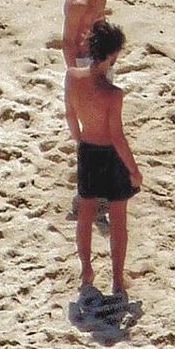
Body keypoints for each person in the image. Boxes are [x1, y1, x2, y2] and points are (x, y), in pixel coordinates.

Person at [65, 21, 143, 302]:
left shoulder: (72, 76)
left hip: (87, 150)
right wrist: (134, 171)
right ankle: (118, 280)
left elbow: (71, 117)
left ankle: (86, 270)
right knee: (118, 219)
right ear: (112, 55)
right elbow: (118, 137)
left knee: (85, 215)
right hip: (110, 155)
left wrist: (80, 142)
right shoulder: (113, 94)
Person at [63, 0, 123, 221]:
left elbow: (97, 24)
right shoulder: (79, 1)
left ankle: (96, 194)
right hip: (84, 67)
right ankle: (85, 197)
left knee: (105, 131)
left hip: (100, 62)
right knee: (92, 134)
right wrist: (79, 79)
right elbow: (67, 43)